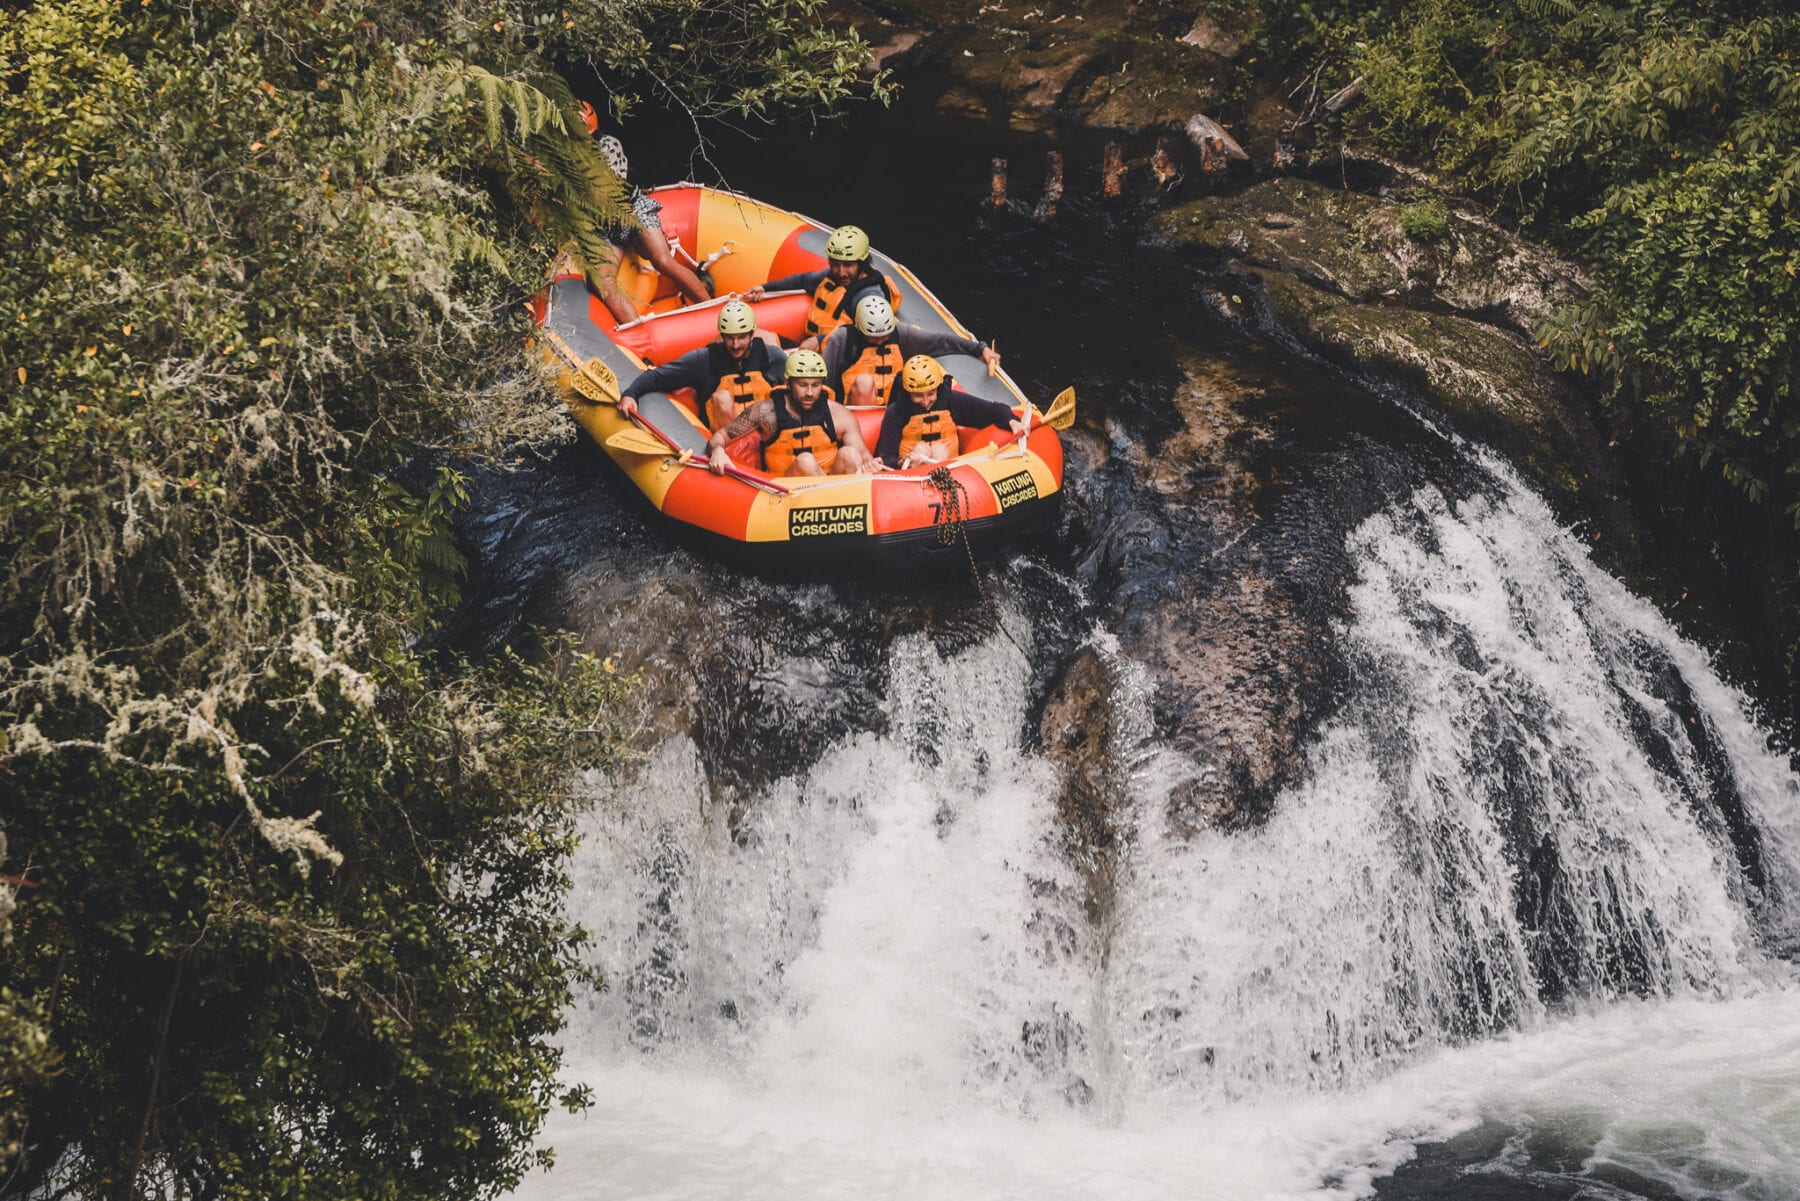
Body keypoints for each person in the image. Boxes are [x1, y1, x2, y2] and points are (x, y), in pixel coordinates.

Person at [588, 134, 712, 323]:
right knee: (603, 282)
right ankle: (638, 332)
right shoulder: (564, 153)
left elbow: (607, 188)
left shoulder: (608, 144)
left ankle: (712, 309)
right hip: (602, 224)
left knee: (662, 260)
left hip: (633, 209)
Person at [618, 299, 787, 430]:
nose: (735, 345)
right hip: (724, 440)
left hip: (763, 437)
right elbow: (657, 377)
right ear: (722, 335)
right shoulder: (703, 359)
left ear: (752, 334)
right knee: (722, 399)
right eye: (729, 337)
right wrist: (631, 394)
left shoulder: (773, 356)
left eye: (741, 337)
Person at [704, 350, 876, 478]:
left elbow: (863, 454)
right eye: (802, 385)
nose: (809, 393)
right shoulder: (766, 412)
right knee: (805, 461)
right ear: (789, 383)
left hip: (832, 489)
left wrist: (872, 464)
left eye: (815, 385)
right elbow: (719, 437)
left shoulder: (838, 413)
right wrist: (717, 450)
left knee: (850, 454)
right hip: (784, 492)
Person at [823, 294, 1002, 407]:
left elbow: (940, 341)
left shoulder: (901, 334)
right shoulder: (843, 339)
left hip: (893, 412)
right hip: (854, 414)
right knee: (864, 382)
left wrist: (980, 348)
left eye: (884, 336)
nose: (880, 341)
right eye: (873, 337)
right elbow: (824, 382)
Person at [743, 225, 900, 350]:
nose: (841, 272)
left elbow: (864, 335)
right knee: (747, 336)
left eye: (848, 265)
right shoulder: (831, 277)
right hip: (811, 351)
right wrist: (765, 288)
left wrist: (819, 341)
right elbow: (801, 280)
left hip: (836, 360)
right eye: (835, 264)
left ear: (862, 263)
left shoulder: (868, 296)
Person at [873, 355, 1030, 471]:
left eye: (931, 394)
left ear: (938, 389)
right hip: (911, 472)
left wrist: (1012, 421)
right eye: (918, 396)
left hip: (948, 469)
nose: (926, 401)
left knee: (939, 448)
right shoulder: (896, 412)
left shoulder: (951, 400)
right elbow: (887, 456)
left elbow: (994, 410)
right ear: (908, 392)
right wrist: (902, 462)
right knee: (922, 449)